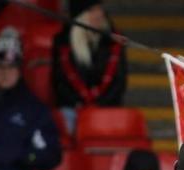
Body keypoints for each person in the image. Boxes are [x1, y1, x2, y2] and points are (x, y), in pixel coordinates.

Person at [0, 28, 62, 170]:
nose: (5, 73)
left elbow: (51, 155)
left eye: (11, 67)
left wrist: (23, 156)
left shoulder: (34, 109)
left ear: (20, 71)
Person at [51, 0, 128, 134]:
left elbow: (119, 82)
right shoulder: (62, 42)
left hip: (106, 108)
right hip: (73, 108)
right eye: (92, 10)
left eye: (100, 9)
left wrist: (98, 106)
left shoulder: (113, 42)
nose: (99, 14)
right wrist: (81, 105)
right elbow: (60, 82)